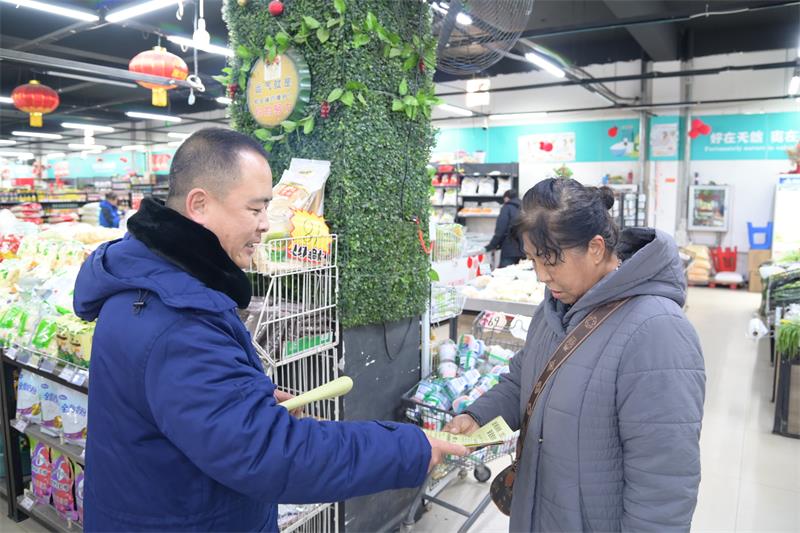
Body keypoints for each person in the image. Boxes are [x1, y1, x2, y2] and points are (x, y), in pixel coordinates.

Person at [73, 128, 465, 532]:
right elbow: (268, 453)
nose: (265, 225)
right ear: (200, 204)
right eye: (255, 209)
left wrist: (246, 395)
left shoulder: (150, 281)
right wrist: (408, 448)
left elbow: (178, 408)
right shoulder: (179, 320)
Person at [445, 178, 705, 531]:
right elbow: (524, 377)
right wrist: (479, 416)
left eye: (551, 260)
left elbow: (663, 482)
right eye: (533, 260)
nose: (541, 275)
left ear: (595, 248)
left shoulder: (657, 330)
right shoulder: (554, 309)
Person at [485, 189, 524, 268]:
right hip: (524, 250)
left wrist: (491, 246)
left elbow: (500, 230)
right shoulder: (525, 207)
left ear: (506, 198)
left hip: (509, 250)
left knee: (504, 274)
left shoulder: (507, 208)